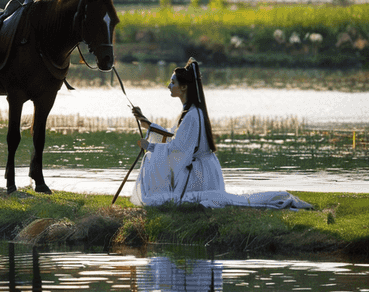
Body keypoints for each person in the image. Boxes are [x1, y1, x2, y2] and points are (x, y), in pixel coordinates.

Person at [129, 58, 311, 210]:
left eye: (172, 82)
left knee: (153, 161)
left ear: (183, 87)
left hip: (199, 175)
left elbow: (177, 146)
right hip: (203, 169)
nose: (169, 86)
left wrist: (150, 146)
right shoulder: (190, 112)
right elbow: (177, 137)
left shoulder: (193, 115)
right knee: (155, 161)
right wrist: (147, 123)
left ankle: (280, 199)